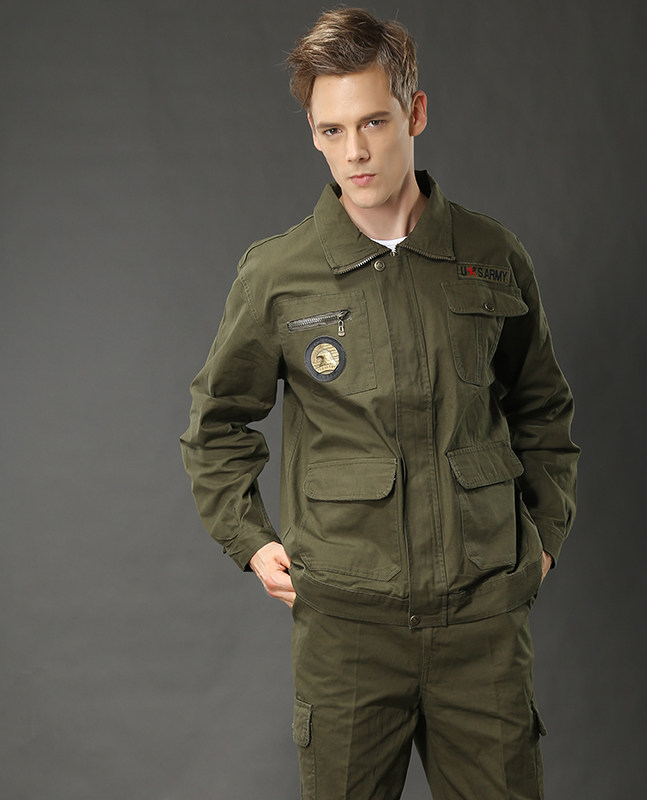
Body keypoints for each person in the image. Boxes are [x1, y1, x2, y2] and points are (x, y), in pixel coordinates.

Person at [180, 8, 579, 799]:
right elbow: (216, 425)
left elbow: (542, 409)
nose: (355, 151)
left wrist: (543, 539)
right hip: (347, 632)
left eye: (373, 122)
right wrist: (250, 541)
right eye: (331, 130)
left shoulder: (491, 256)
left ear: (414, 113)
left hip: (482, 623)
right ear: (313, 133)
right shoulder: (280, 274)